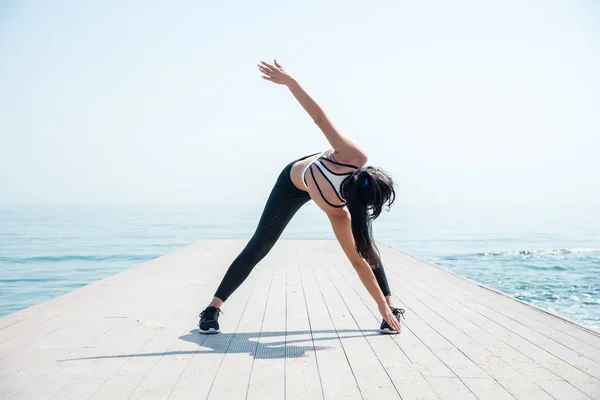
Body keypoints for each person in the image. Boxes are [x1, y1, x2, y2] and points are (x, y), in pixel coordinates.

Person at [198, 59, 404, 335]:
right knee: (261, 244)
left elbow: (358, 259)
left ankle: (391, 308)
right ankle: (212, 308)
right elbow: (318, 118)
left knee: (366, 246)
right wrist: (290, 82)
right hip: (291, 183)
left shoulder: (350, 176)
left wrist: (381, 305)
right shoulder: (343, 183)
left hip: (320, 184)